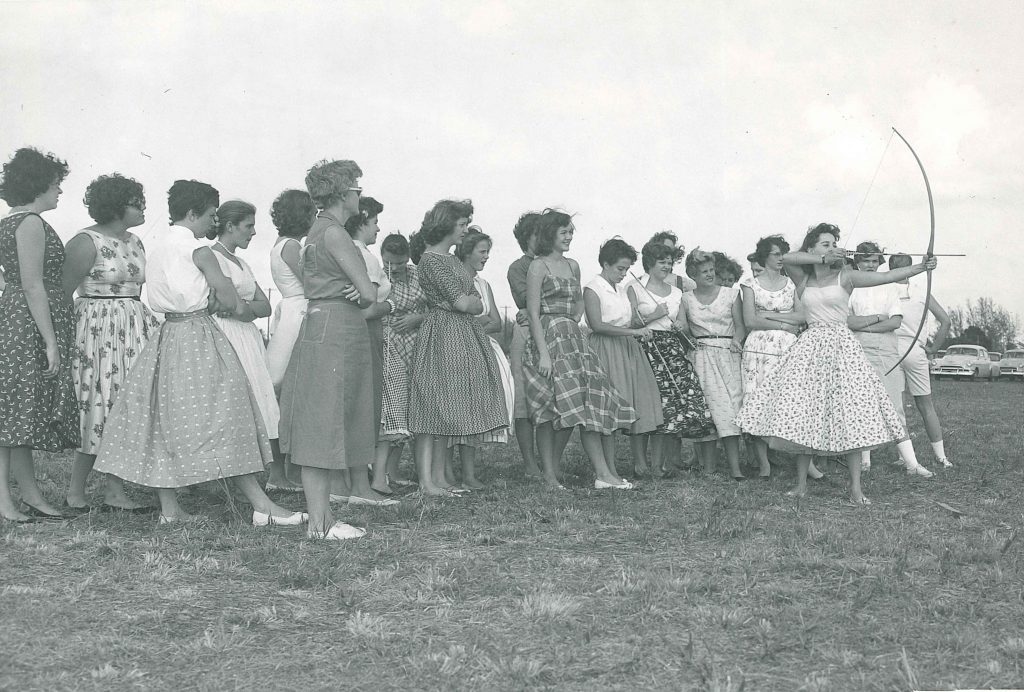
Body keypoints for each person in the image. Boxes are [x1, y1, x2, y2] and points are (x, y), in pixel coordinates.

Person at [94, 180, 305, 528]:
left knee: (166, 417)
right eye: (209, 215)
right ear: (192, 213)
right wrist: (220, 300)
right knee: (226, 415)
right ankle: (261, 504)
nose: (213, 222)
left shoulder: (156, 248)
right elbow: (232, 301)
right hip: (198, 334)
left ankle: (170, 509)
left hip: (167, 336)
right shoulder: (199, 251)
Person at [735, 223, 937, 504]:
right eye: (825, 244)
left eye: (834, 244)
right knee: (804, 414)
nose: (832, 248)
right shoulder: (801, 278)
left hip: (842, 348)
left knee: (850, 415)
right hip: (810, 348)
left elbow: (889, 275)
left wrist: (920, 268)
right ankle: (801, 485)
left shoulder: (846, 276)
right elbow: (789, 258)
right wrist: (821, 259)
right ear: (812, 248)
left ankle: (856, 489)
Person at [279, 160, 390, 539]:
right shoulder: (337, 234)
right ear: (343, 192)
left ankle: (320, 518)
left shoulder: (315, 231)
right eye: (357, 186)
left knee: (318, 421)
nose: (360, 192)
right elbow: (369, 294)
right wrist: (361, 292)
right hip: (340, 327)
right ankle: (321, 522)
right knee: (326, 422)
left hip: (319, 322)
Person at [62, 173, 160, 513]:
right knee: (98, 404)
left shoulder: (136, 241)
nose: (143, 207)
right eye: (137, 202)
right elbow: (62, 292)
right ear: (118, 206)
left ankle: (114, 491)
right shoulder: (85, 241)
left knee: (124, 404)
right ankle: (76, 490)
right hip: (97, 330)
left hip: (133, 327)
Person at [522, 210, 636, 490]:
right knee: (549, 409)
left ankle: (602, 474)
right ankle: (549, 476)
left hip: (573, 337)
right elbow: (534, 313)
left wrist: (573, 320)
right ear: (550, 234)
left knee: (589, 401)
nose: (569, 237)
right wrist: (544, 353)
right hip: (547, 337)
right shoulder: (538, 266)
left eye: (571, 232)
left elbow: (579, 301)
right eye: (564, 232)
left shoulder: (573, 265)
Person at [407, 200, 508, 496]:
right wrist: (470, 302)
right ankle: (427, 481)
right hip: (443, 332)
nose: (465, 230)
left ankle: (439, 479)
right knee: (433, 405)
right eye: (462, 225)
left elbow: (475, 299)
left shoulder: (450, 260)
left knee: (447, 407)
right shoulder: (431, 260)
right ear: (446, 225)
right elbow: (467, 302)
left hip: (461, 333)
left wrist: (470, 302)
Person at [0, 147, 78, 522]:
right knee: (13, 411)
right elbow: (32, 285)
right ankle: (4, 502)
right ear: (38, 185)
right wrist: (50, 341)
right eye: (55, 185)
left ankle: (30, 496)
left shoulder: (12, 221)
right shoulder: (29, 222)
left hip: (19, 317)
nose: (59, 192)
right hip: (28, 322)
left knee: (19, 412)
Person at [209, 200, 299, 492]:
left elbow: (265, 306)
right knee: (232, 403)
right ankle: (222, 475)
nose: (253, 232)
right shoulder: (213, 258)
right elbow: (218, 303)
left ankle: (276, 474)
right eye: (248, 226)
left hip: (248, 337)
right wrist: (243, 308)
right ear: (230, 226)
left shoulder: (242, 263)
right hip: (225, 336)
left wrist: (243, 307)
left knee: (264, 398)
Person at [627, 241, 716, 475]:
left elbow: (685, 325)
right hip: (645, 347)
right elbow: (630, 322)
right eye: (661, 262)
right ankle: (640, 464)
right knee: (646, 405)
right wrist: (652, 316)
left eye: (669, 262)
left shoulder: (678, 293)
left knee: (668, 408)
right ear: (649, 263)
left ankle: (659, 465)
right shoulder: (635, 287)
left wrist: (680, 326)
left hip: (672, 348)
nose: (667, 266)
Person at [848, 242, 933, 477]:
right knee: (860, 404)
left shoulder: (889, 286)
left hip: (886, 349)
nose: (869, 265)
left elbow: (895, 322)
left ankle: (911, 464)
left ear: (880, 263)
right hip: (857, 348)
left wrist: (864, 325)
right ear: (856, 262)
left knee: (894, 405)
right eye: (865, 260)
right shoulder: (850, 285)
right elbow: (847, 321)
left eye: (874, 261)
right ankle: (864, 459)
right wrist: (877, 318)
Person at [739, 234, 819, 480]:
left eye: (783, 254)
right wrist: (783, 321)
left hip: (787, 348)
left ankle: (807, 464)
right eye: (776, 254)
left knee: (792, 402)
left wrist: (771, 317)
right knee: (757, 399)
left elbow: (801, 316)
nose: (781, 258)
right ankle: (764, 463)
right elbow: (750, 320)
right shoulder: (749, 283)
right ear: (764, 256)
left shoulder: (791, 283)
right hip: (759, 349)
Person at [582, 238, 663, 477]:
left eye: (627, 269)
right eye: (620, 268)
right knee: (607, 411)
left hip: (627, 348)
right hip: (605, 349)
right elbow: (597, 324)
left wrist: (641, 328)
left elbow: (627, 321)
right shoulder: (592, 288)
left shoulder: (621, 289)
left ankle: (612, 469)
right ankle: (608, 471)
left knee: (624, 408)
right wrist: (633, 332)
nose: (623, 273)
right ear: (605, 263)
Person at [343, 196, 399, 504]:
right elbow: (366, 309)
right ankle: (360, 487)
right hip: (366, 333)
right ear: (362, 221)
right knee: (366, 407)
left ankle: (347, 483)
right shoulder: (363, 256)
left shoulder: (350, 252)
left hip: (359, 334)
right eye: (375, 222)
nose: (378, 228)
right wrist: (390, 305)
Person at [453, 227, 513, 489]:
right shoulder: (453, 278)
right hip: (456, 349)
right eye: (482, 251)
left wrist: (472, 324)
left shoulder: (483, 284)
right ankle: (444, 473)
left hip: (481, 349)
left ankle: (468, 474)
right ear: (467, 251)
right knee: (455, 409)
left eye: (488, 252)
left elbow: (496, 321)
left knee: (473, 410)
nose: (487, 256)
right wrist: (475, 322)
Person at [681, 249, 748, 479]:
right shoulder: (686, 298)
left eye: (711, 270)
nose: (709, 274)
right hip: (701, 357)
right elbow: (683, 327)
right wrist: (688, 338)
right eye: (704, 272)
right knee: (708, 410)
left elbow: (740, 325)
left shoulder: (730, 294)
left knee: (730, 409)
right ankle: (708, 467)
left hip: (728, 354)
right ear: (692, 274)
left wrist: (737, 341)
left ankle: (735, 468)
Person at [373, 233, 426, 493]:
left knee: (409, 406)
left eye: (400, 263)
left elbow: (434, 306)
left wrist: (418, 318)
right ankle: (383, 470)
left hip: (416, 343)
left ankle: (395, 470)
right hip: (389, 343)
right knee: (392, 406)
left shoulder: (418, 275)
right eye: (389, 263)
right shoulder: (378, 274)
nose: (394, 268)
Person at [889, 252, 953, 467]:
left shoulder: (881, 289)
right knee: (926, 405)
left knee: (897, 405)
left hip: (891, 349)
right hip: (916, 350)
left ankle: (903, 457)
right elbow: (945, 321)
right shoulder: (921, 291)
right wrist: (933, 348)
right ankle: (941, 457)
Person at [506, 212, 546, 479]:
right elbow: (526, 300)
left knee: (547, 397)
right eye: (536, 234)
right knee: (523, 398)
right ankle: (530, 463)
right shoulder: (519, 267)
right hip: (527, 330)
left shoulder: (556, 263)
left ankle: (548, 462)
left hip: (552, 329)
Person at [266, 189, 316, 390]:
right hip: (299, 308)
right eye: (312, 214)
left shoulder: (281, 243)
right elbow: (310, 281)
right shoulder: (291, 246)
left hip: (291, 306)